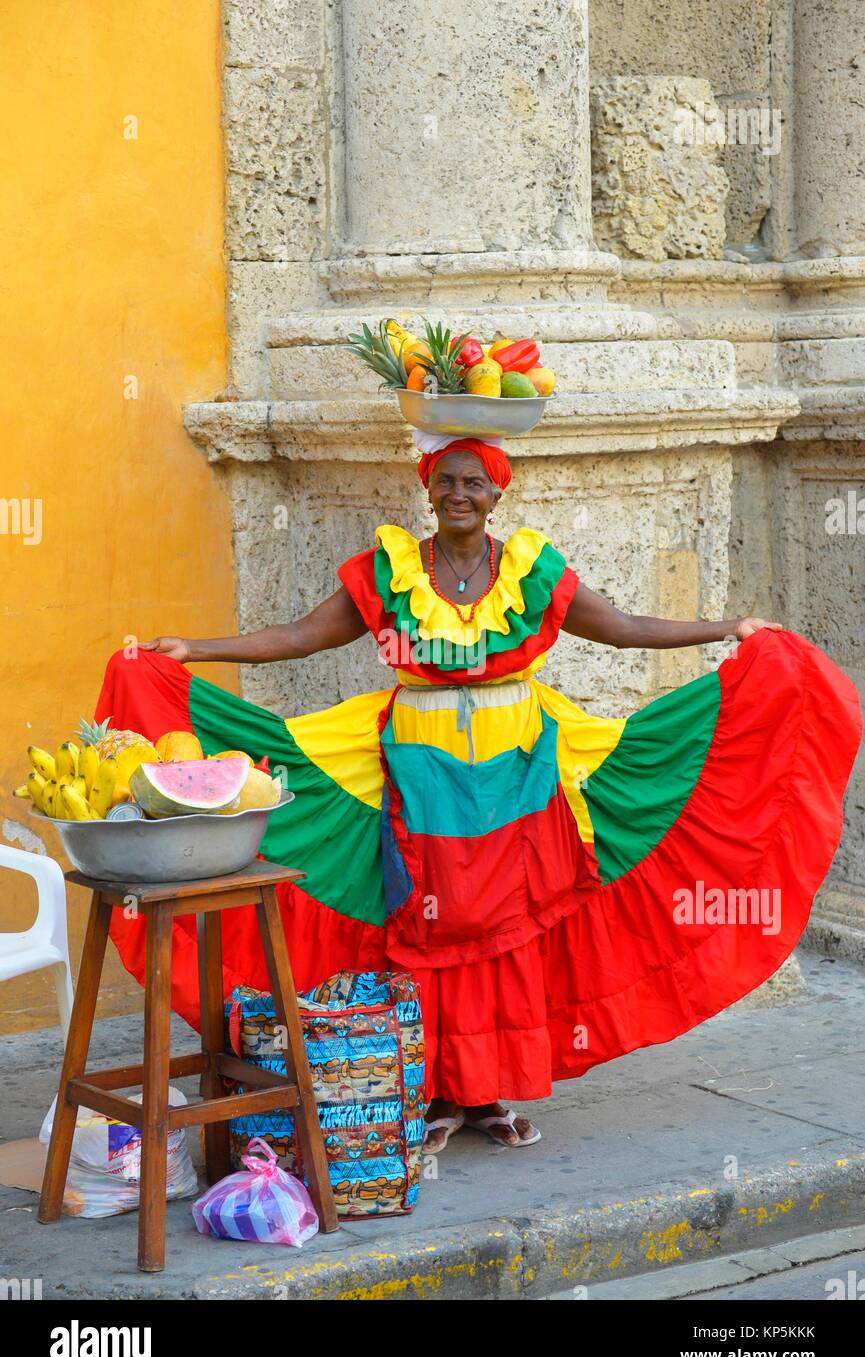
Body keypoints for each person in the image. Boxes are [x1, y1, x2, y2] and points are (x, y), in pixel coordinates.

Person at [97, 435, 862, 1155]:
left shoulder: (532, 571)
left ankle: (488, 1093)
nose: (458, 493)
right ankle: (433, 1090)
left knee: (507, 923)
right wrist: (195, 649)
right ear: (426, 490)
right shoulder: (387, 570)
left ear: (497, 493)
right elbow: (300, 636)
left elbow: (623, 627)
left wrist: (727, 628)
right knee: (430, 922)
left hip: (520, 770)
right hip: (415, 772)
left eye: (474, 482)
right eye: (446, 481)